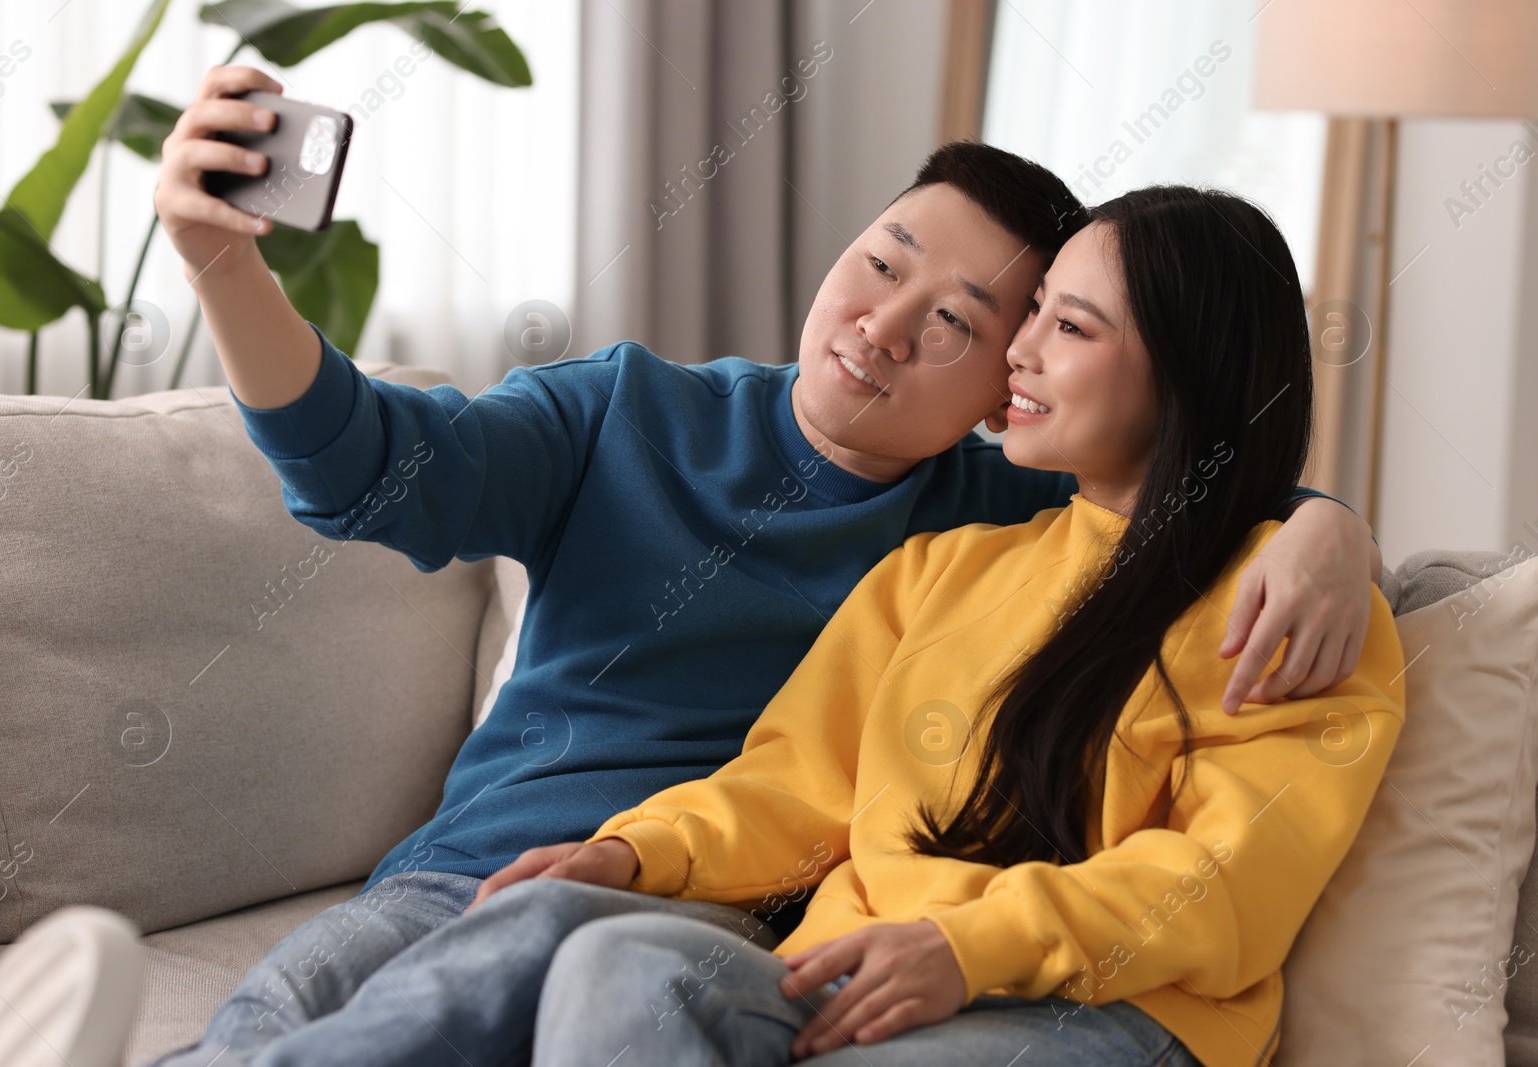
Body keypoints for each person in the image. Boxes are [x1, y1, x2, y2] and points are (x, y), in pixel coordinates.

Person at [0, 63, 1381, 1067]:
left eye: (969, 323)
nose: (886, 327)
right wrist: (223, 269)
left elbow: (1179, 518)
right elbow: (378, 469)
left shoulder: (992, 514)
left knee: (571, 954)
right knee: (343, 992)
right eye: (881, 262)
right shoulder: (661, 423)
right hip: (513, 868)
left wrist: (1328, 527)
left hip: (772, 926)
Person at [463, 185, 1406, 1066]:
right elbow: (798, 785)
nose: (1018, 353)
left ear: (1189, 376)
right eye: (1030, 313)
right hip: (867, 964)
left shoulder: (1298, 607)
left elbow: (1223, 880)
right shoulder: (944, 568)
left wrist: (967, 945)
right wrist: (639, 848)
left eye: (1069, 326)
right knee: (615, 962)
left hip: (1112, 1011)